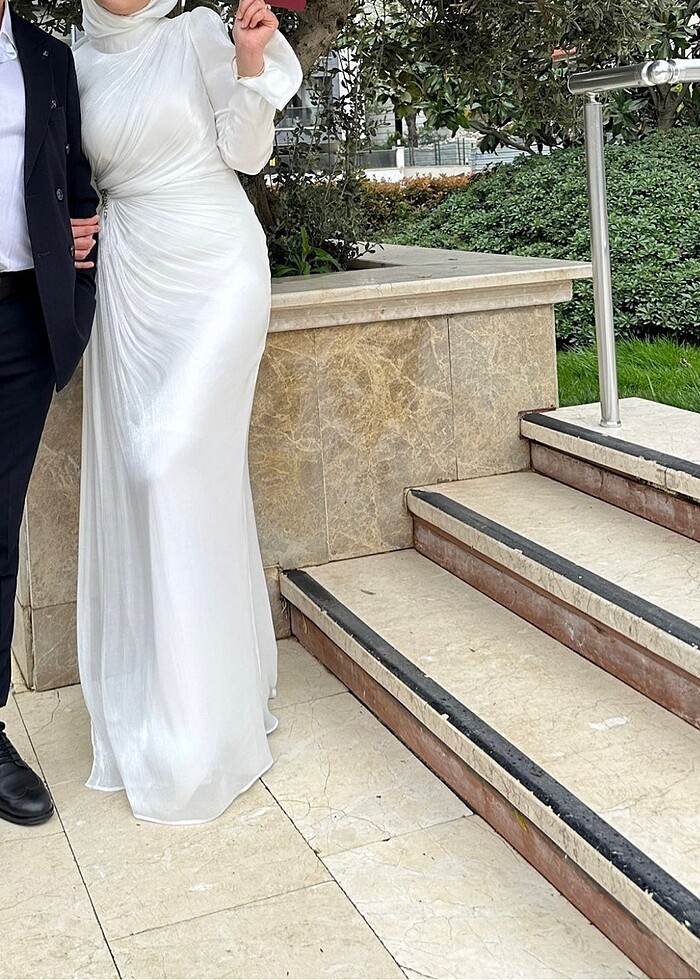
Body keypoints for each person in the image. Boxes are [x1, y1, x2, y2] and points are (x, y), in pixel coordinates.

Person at [74, 0, 303, 823]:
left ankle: (202, 730)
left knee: (167, 462)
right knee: (175, 479)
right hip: (134, 278)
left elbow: (246, 153)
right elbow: (57, 171)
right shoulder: (75, 58)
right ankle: (190, 694)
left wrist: (250, 62)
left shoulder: (199, 29)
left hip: (216, 264)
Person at [0, 0, 99, 826]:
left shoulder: (46, 57)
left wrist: (76, 276)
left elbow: (74, 179)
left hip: (19, 324)